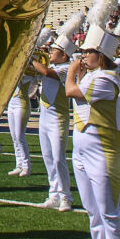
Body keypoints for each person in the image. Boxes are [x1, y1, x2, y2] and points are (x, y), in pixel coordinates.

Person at [66, 0, 120, 239]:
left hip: (104, 151)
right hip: (82, 149)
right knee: (92, 211)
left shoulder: (106, 78)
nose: (83, 55)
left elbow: (71, 90)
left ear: (101, 55)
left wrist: (71, 69)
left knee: (109, 211)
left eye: (88, 52)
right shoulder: (96, 74)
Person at [27, 26, 74, 211]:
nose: (50, 52)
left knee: (58, 158)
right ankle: (53, 193)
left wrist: (30, 57)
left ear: (64, 55)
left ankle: (66, 196)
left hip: (58, 119)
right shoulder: (53, 65)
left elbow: (47, 73)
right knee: (47, 157)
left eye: (54, 50)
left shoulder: (66, 68)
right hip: (44, 116)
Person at [4, 62, 33, 176]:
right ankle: (19, 164)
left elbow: (17, 78)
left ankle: (26, 166)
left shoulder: (29, 70)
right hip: (12, 103)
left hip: (22, 103)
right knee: (13, 136)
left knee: (20, 136)